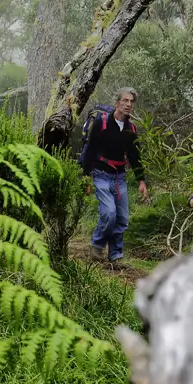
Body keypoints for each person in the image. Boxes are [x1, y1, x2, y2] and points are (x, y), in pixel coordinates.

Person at [80, 87, 149, 263]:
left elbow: (134, 156)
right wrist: (85, 177)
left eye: (131, 101)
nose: (128, 104)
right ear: (117, 103)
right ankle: (97, 246)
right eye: (125, 100)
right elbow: (90, 149)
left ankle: (116, 255)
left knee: (123, 218)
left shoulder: (130, 128)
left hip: (119, 177)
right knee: (109, 213)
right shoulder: (102, 123)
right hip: (101, 174)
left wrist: (142, 180)